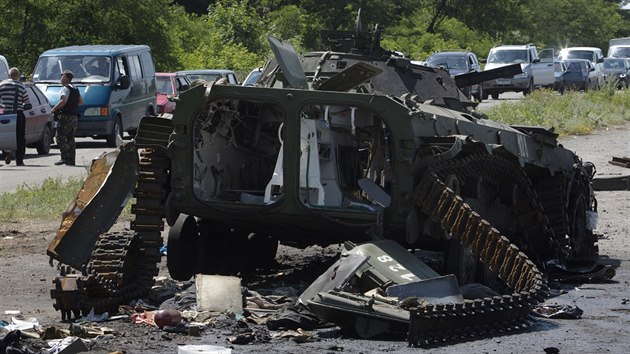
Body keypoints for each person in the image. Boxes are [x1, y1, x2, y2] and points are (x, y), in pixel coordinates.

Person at [0, 67, 31, 166]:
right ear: (18, 76)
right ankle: (19, 160)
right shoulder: (21, 86)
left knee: (4, 134)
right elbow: (27, 102)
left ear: (9, 75)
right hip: (17, 114)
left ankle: (6, 152)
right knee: (20, 137)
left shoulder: (1, 84)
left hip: (3, 113)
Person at [51, 70, 83, 166]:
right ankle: (71, 159)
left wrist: (53, 109)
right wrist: (73, 105)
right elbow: (81, 101)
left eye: (62, 76)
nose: (61, 78)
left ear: (65, 77)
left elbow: (63, 101)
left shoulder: (65, 88)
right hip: (74, 117)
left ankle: (64, 157)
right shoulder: (75, 88)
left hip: (66, 116)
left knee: (60, 137)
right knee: (70, 137)